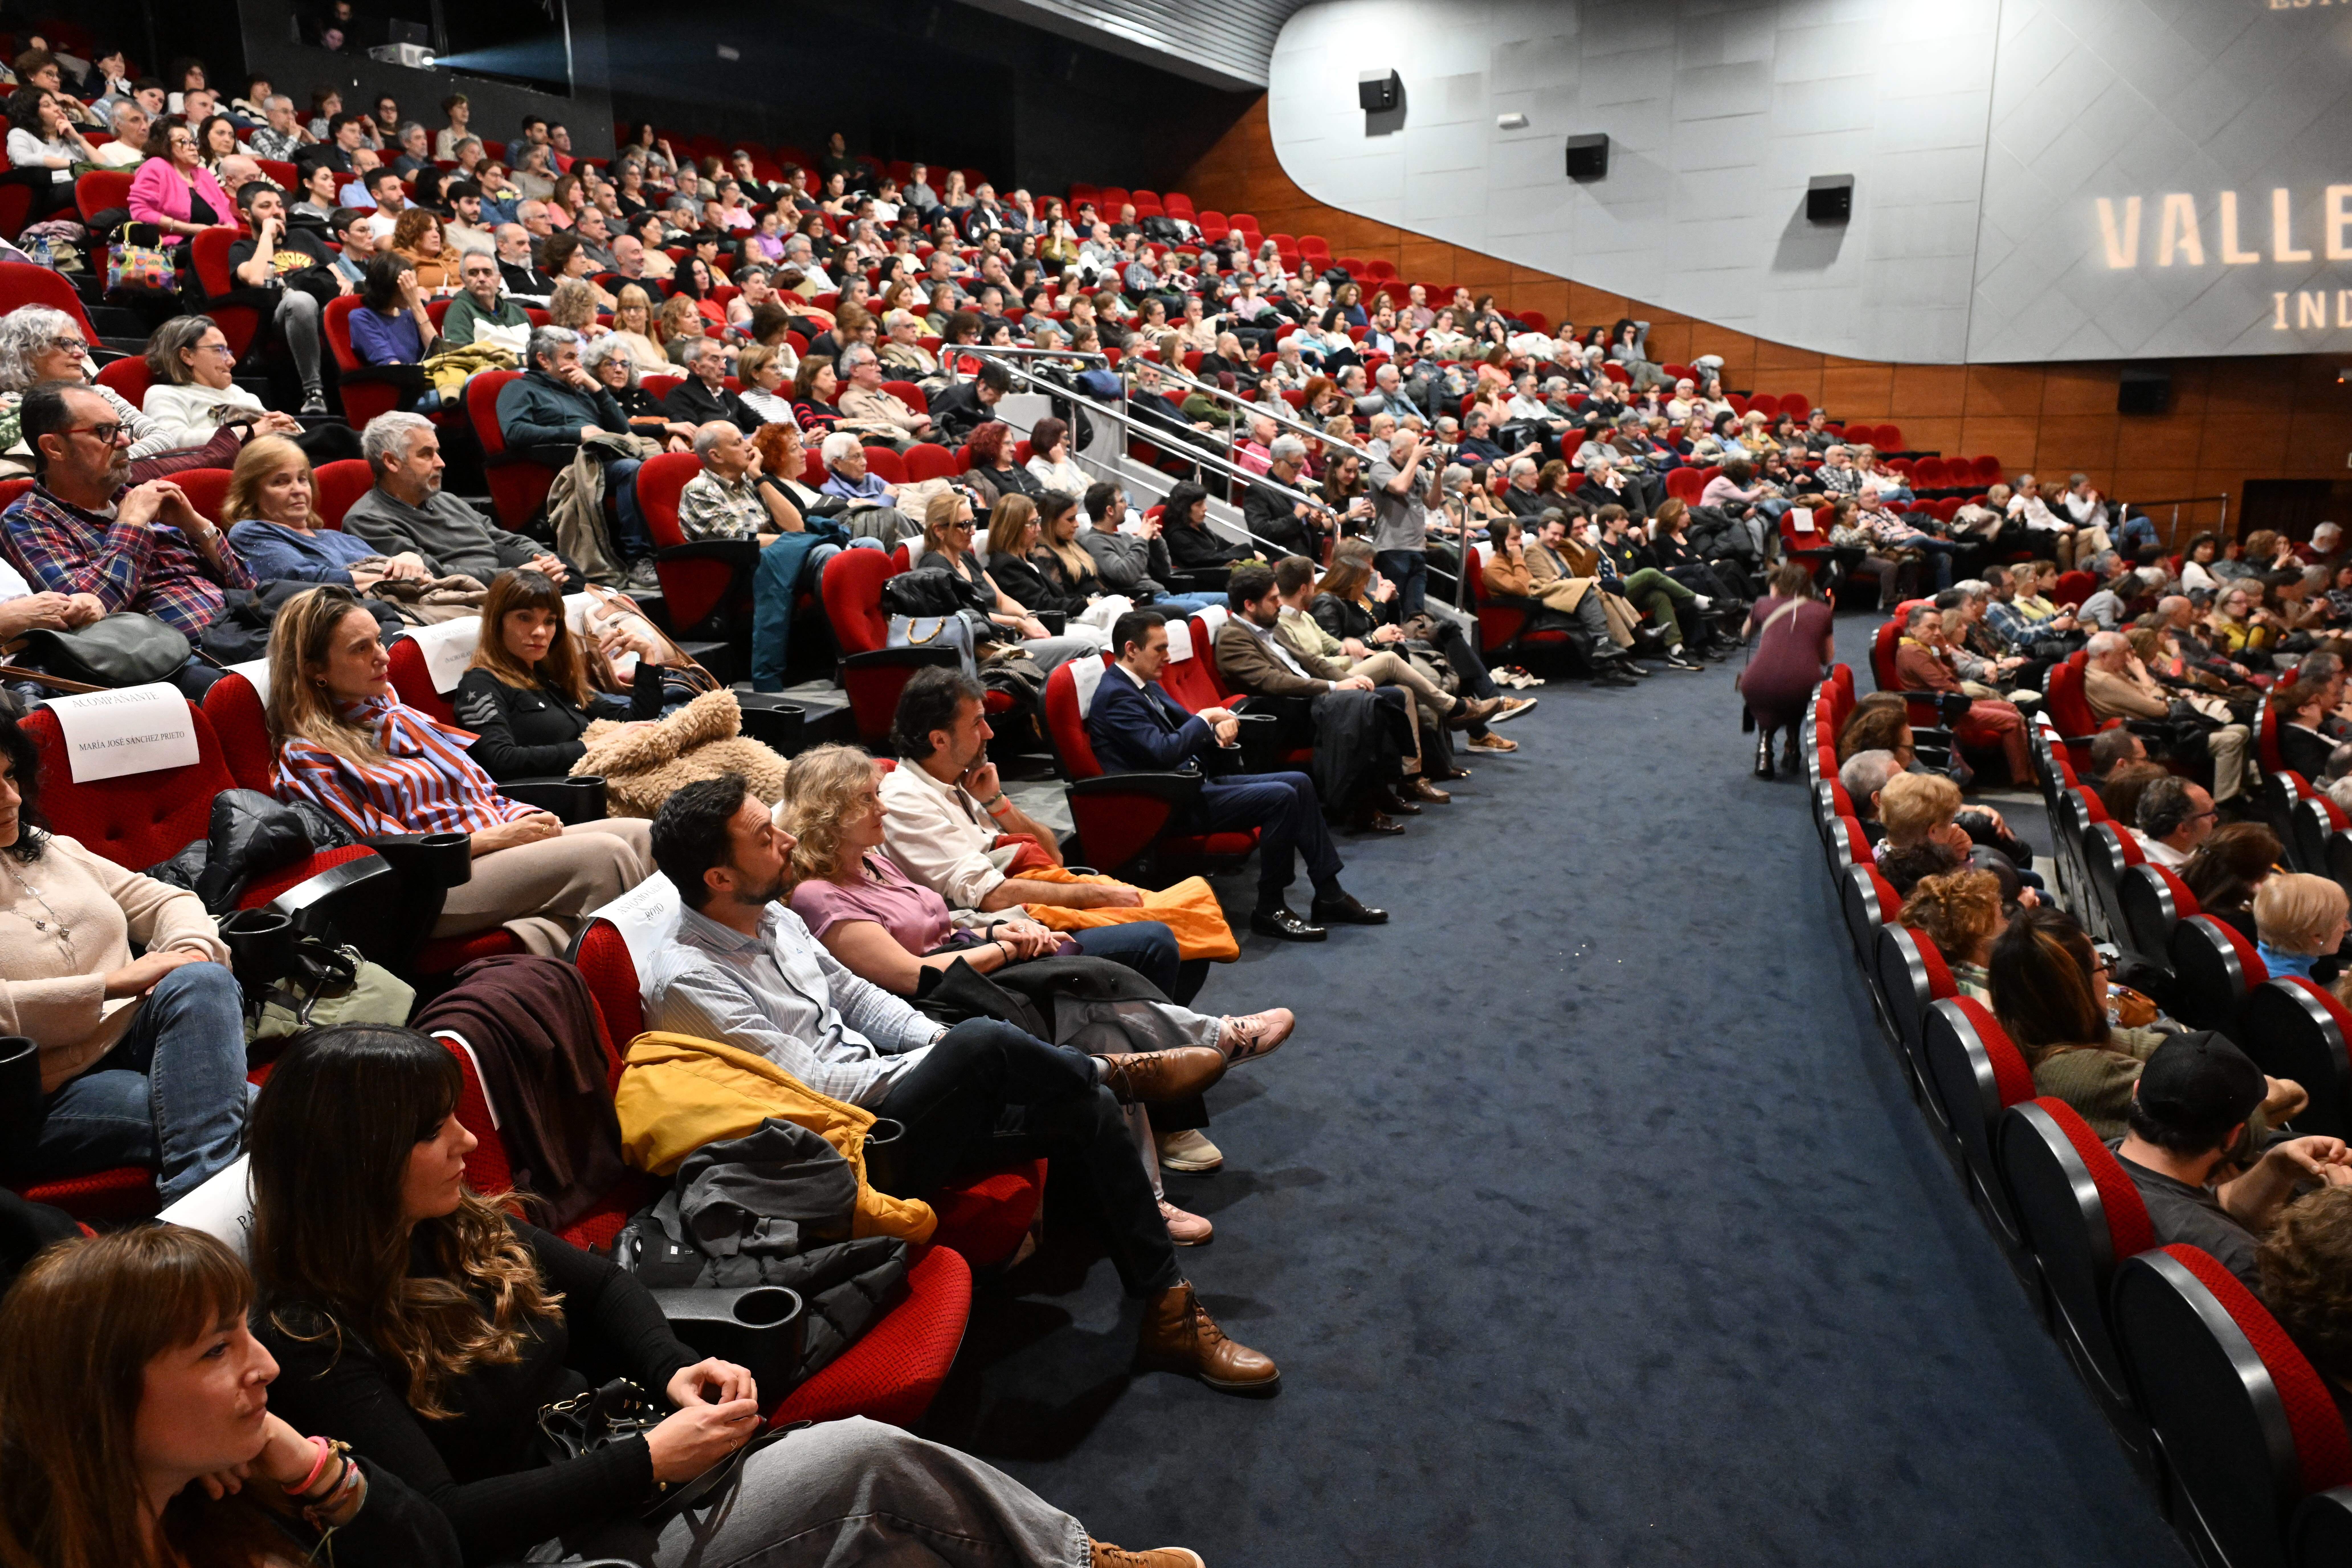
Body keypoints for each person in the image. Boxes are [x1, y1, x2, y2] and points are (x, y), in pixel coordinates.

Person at [246, 1026, 1206, 1566]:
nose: (465, 1142)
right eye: (433, 1130)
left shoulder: (453, 1226)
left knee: (893, 1541)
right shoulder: (307, 1331)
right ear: (360, 1161)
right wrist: (647, 1462)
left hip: (621, 1461)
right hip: (563, 1545)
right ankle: (1079, 1563)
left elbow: (604, 1285)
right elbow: (445, 1522)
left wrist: (673, 1370)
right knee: (867, 1461)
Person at [642, 773, 1280, 1396]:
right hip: (836, 1154)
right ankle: (1116, 1067)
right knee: (988, 1039)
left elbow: (861, 999)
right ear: (718, 877)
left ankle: (1171, 1311)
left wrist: (940, 1050)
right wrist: (956, 1060)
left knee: (1081, 1102)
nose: (785, 838)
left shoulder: (772, 916)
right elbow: (813, 1085)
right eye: (762, 835)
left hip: (892, 1107)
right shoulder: (690, 978)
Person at [783, 744, 1295, 1241]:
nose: (883, 806)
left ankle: (1148, 1197)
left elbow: (946, 922)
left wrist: (997, 933)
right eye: (868, 799)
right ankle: (1220, 1036)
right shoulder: (817, 895)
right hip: (944, 1007)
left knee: (1104, 1031)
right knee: (1088, 987)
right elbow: (910, 975)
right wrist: (1006, 951)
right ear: (830, 812)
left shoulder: (873, 861)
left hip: (974, 971)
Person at [0, 1224, 464, 1568]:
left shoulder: (224, 1496)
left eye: (247, 1329)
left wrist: (311, 1464)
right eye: (217, 1349)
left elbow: (438, 1555)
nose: (268, 1367)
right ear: (100, 1394)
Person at [266, 586, 654, 954]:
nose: (382, 657)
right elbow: (375, 848)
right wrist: (496, 838)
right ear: (315, 669)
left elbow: (481, 792)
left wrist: (527, 817)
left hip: (491, 846)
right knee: (606, 855)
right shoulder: (309, 755)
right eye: (360, 649)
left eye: (379, 641)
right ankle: (640, 994)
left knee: (646, 836)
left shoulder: (401, 716)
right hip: (432, 884)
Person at [0, 713, 248, 1206]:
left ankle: (197, 1232)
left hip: (133, 1034)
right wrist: (112, 983)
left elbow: (166, 900)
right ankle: (206, 1220)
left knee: (201, 978)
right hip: (41, 1091)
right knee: (274, 1114)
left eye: (9, 776)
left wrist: (190, 949)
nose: (12, 798)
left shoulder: (50, 847)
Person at [1089, 607, 1388, 941]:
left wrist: (1220, 721)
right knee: (1282, 797)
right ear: (1131, 649)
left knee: (1299, 783)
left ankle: (1330, 894)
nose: (1168, 656)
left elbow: (1186, 723)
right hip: (1165, 804)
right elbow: (1163, 750)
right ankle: (1270, 908)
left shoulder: (1143, 683)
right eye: (1160, 648)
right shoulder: (1117, 695)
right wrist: (1206, 719)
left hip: (1193, 783)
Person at [4, 384, 253, 670]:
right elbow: (87, 614)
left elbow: (248, 588)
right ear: (55, 447)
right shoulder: (29, 520)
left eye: (122, 429)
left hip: (241, 632)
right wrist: (131, 525)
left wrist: (198, 527)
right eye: (105, 432)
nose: (124, 440)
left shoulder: (141, 497)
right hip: (178, 662)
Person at [2114, 1031, 2352, 1295]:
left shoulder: (2097, 1160)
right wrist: (2340, 1216)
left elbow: (2197, 1207)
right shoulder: (2236, 1264)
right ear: (2232, 1136)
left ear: (2136, 1094)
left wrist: (2276, 1168)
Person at [1214, 562, 1416, 832]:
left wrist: (1349, 681)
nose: (1279, 604)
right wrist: (1333, 687)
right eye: (1273, 599)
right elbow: (1274, 682)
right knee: (1365, 705)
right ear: (1250, 605)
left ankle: (1381, 790)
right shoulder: (1233, 639)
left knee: (1389, 696)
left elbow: (1313, 662)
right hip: (1286, 714)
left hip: (1314, 701)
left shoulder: (1275, 625)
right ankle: (1359, 807)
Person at [451, 569, 670, 782]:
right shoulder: (481, 682)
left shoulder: (552, 677)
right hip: (562, 796)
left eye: (549, 621)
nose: (540, 632)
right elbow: (501, 761)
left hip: (606, 777)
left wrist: (647, 655)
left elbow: (637, 722)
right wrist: (594, 746)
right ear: (497, 623)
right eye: (525, 618)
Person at [496, 326, 656, 581]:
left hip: (606, 455)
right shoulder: (519, 389)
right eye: (570, 357)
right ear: (544, 360)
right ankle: (638, 558)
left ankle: (669, 552)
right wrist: (576, 434)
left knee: (656, 465)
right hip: (572, 465)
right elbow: (515, 432)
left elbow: (624, 431)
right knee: (631, 469)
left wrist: (596, 388)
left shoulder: (580, 392)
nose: (577, 364)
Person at [345, 412, 572, 585]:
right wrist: (519, 576)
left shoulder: (447, 500)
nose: (441, 463)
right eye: (426, 455)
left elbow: (504, 539)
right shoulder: (367, 520)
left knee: (572, 571)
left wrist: (547, 561)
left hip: (514, 582)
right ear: (391, 462)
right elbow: (434, 575)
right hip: (473, 601)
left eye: (437, 452)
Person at [220, 433, 424, 587]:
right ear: (251, 493)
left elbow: (395, 569)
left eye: (302, 480)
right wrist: (394, 581)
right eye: (280, 482)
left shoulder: (339, 538)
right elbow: (307, 580)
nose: (298, 490)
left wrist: (408, 559)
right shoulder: (250, 532)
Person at [2082, 629, 2251, 805]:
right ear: (2104, 656)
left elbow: (2159, 696)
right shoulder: (2105, 681)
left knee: (2242, 730)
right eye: (2126, 651)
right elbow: (2160, 708)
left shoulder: (2113, 672)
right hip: (2156, 738)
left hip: (2164, 728)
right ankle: (2225, 802)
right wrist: (2142, 676)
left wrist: (2152, 691)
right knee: (2231, 740)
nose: (2132, 655)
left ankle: (2240, 786)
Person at [1891, 600, 2033, 781]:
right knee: (2012, 721)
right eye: (1931, 627)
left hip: (1953, 702)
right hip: (1944, 710)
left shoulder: (1922, 647)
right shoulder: (1913, 653)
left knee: (2011, 709)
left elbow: (1952, 676)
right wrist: (1955, 685)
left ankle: (2028, 767)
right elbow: (1947, 686)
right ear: (1913, 627)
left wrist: (1944, 652)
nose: (1937, 633)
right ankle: (2022, 778)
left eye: (1939, 628)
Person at [1740, 562, 1837, 777]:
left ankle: (1764, 750)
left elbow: (1744, 635)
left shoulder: (1763, 605)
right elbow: (1827, 658)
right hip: (1801, 686)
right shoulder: (1822, 611)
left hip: (1756, 681)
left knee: (1770, 691)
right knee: (1799, 688)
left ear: (1777, 585)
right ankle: (1792, 746)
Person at [1898, 868, 2003, 1001]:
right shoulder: (1992, 1001)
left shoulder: (1956, 976)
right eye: (2002, 916)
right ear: (1980, 937)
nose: (2009, 923)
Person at [128, 115, 232, 245]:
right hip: (175, 247)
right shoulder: (156, 166)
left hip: (213, 242)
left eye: (193, 142)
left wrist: (229, 227)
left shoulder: (204, 174)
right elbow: (141, 212)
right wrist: (192, 230)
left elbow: (227, 213)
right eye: (183, 142)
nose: (193, 147)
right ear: (165, 145)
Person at [2254, 871, 2349, 983]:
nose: (2348, 927)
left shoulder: (2270, 957)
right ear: (2317, 937)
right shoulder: (2296, 986)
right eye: (2342, 920)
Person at [438, 247, 529, 348]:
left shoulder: (519, 313)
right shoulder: (459, 310)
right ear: (463, 280)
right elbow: (463, 356)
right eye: (473, 273)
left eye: (487, 273)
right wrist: (520, 360)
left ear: (499, 279)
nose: (481, 279)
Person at [2134, 774, 2216, 869]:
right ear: (2184, 829)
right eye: (2209, 814)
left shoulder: (2141, 846)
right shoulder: (2183, 877)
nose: (2215, 819)